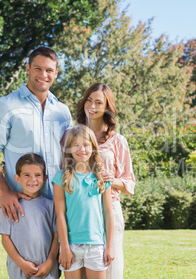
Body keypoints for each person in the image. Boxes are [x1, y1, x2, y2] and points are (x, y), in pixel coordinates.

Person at [0, 46, 72, 222]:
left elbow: (71, 155)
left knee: (65, 251)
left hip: (62, 206)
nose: (43, 75)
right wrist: (4, 192)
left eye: (49, 70)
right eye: (38, 68)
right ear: (28, 68)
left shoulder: (63, 111)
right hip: (23, 206)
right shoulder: (5, 105)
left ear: (56, 73)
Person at [76, 83, 135, 279]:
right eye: (89, 100)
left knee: (110, 267)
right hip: (81, 211)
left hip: (109, 210)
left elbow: (129, 183)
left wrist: (113, 180)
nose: (92, 106)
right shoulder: (73, 135)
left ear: (107, 107)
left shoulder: (118, 140)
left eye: (99, 102)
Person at [53, 124, 114, 279]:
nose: (82, 149)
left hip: (96, 244)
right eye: (76, 145)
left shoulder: (101, 178)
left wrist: (109, 247)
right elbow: (60, 215)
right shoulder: (61, 178)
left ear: (93, 148)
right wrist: (65, 247)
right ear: (69, 149)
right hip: (71, 245)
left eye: (86, 145)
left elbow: (108, 213)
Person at [0, 153, 59, 279]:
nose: (33, 179)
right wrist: (21, 263)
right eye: (26, 175)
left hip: (47, 271)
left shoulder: (51, 206)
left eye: (37, 175)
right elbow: (5, 239)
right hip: (20, 271)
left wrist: (49, 262)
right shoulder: (10, 206)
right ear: (18, 178)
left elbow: (56, 236)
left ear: (45, 178)